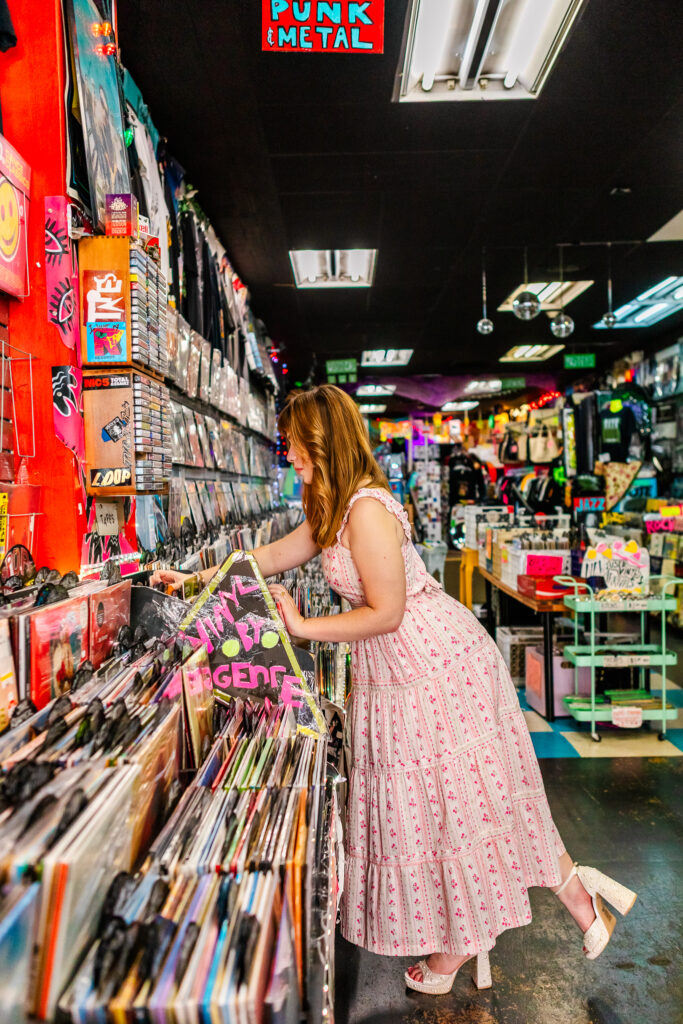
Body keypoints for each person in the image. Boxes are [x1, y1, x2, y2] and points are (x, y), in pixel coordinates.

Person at [152, 385, 636, 996]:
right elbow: (268, 555)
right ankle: (569, 903)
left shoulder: (367, 510)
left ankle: (469, 940)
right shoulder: (330, 508)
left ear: (322, 441)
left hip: (434, 669)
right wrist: (195, 578)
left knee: (462, 804)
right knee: (461, 804)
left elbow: (388, 611)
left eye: (296, 441)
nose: (289, 453)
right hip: (396, 675)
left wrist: (303, 628)